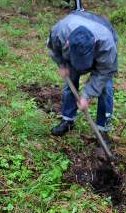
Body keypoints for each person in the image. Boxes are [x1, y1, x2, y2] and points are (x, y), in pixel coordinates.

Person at [47, 11, 118, 145]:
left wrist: (87, 95)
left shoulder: (107, 46)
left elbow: (104, 72)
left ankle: (102, 130)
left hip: (103, 32)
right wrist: (61, 64)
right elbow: (53, 47)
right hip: (73, 38)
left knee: (106, 88)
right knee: (70, 81)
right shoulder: (60, 31)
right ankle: (68, 119)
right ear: (68, 43)